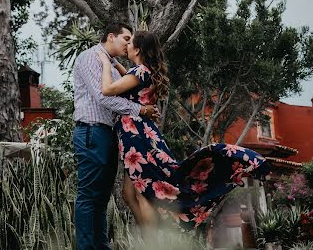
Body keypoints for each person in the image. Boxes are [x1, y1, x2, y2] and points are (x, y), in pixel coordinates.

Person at [98, 30, 270, 231]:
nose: (126, 45)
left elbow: (108, 89)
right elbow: (128, 77)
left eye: (130, 42)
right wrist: (114, 63)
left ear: (138, 49)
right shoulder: (142, 71)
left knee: (143, 193)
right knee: (128, 194)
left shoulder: (140, 72)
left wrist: (104, 63)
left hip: (138, 138)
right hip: (138, 135)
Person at [73, 22, 159, 250]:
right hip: (91, 131)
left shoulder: (111, 63)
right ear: (111, 36)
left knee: (101, 198)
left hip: (109, 134)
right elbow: (104, 97)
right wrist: (140, 110)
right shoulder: (91, 57)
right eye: (125, 38)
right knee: (89, 196)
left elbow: (126, 91)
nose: (128, 43)